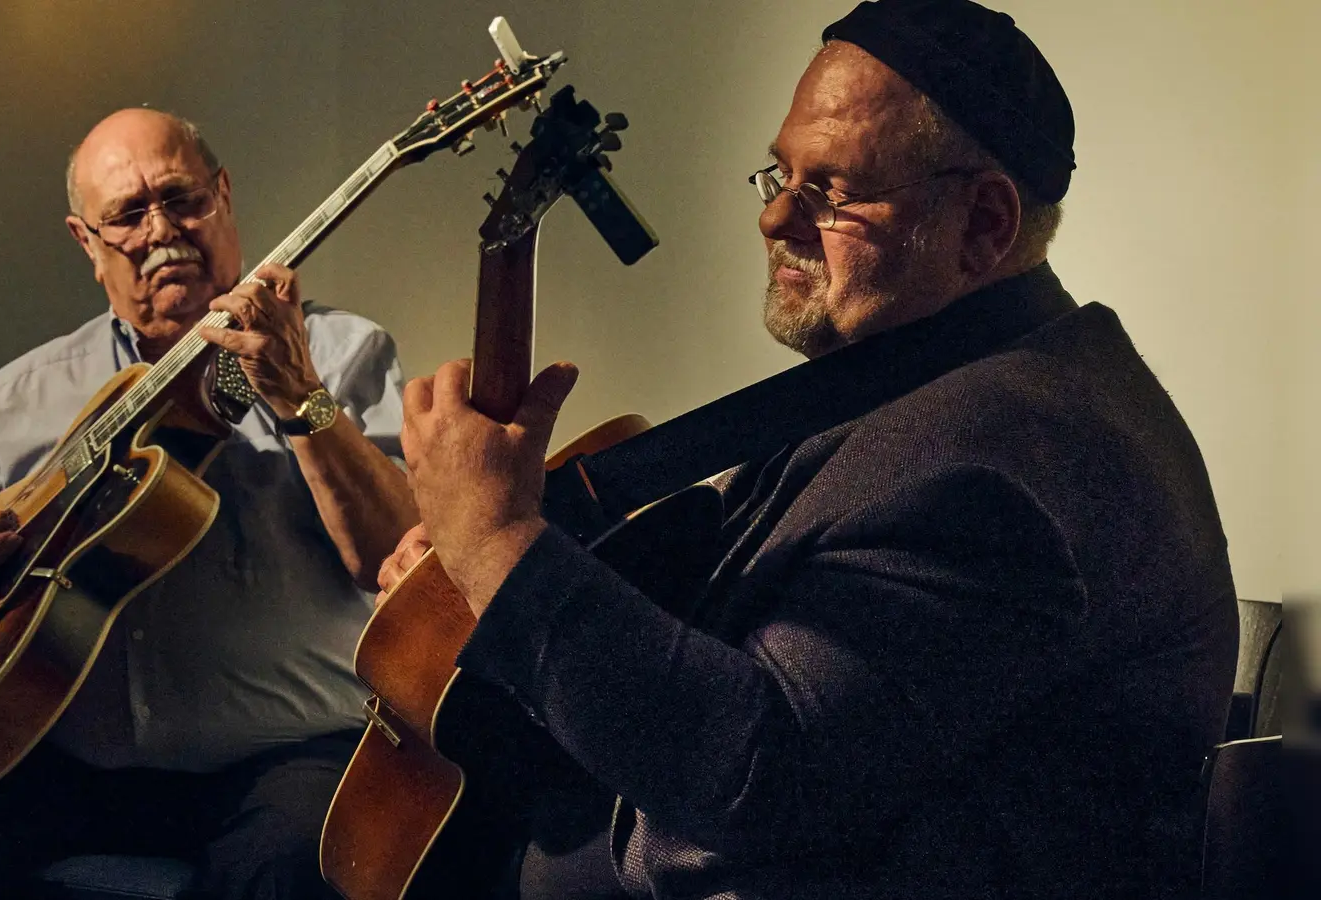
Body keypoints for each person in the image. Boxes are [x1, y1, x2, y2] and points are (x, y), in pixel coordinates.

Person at [377, 1, 1238, 897]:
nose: (775, 217)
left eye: (831, 190)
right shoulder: (945, 373)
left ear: (983, 224)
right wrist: (479, 569)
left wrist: (495, 542)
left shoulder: (997, 456)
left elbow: (756, 778)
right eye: (779, 173)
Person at [0, 107, 418, 899]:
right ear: (86, 242)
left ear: (225, 195)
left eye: (183, 199)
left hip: (286, 758)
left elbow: (396, 553)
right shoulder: (25, 394)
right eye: (128, 215)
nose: (163, 230)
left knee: (292, 870)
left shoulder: (340, 352)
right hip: (72, 765)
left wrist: (300, 395)